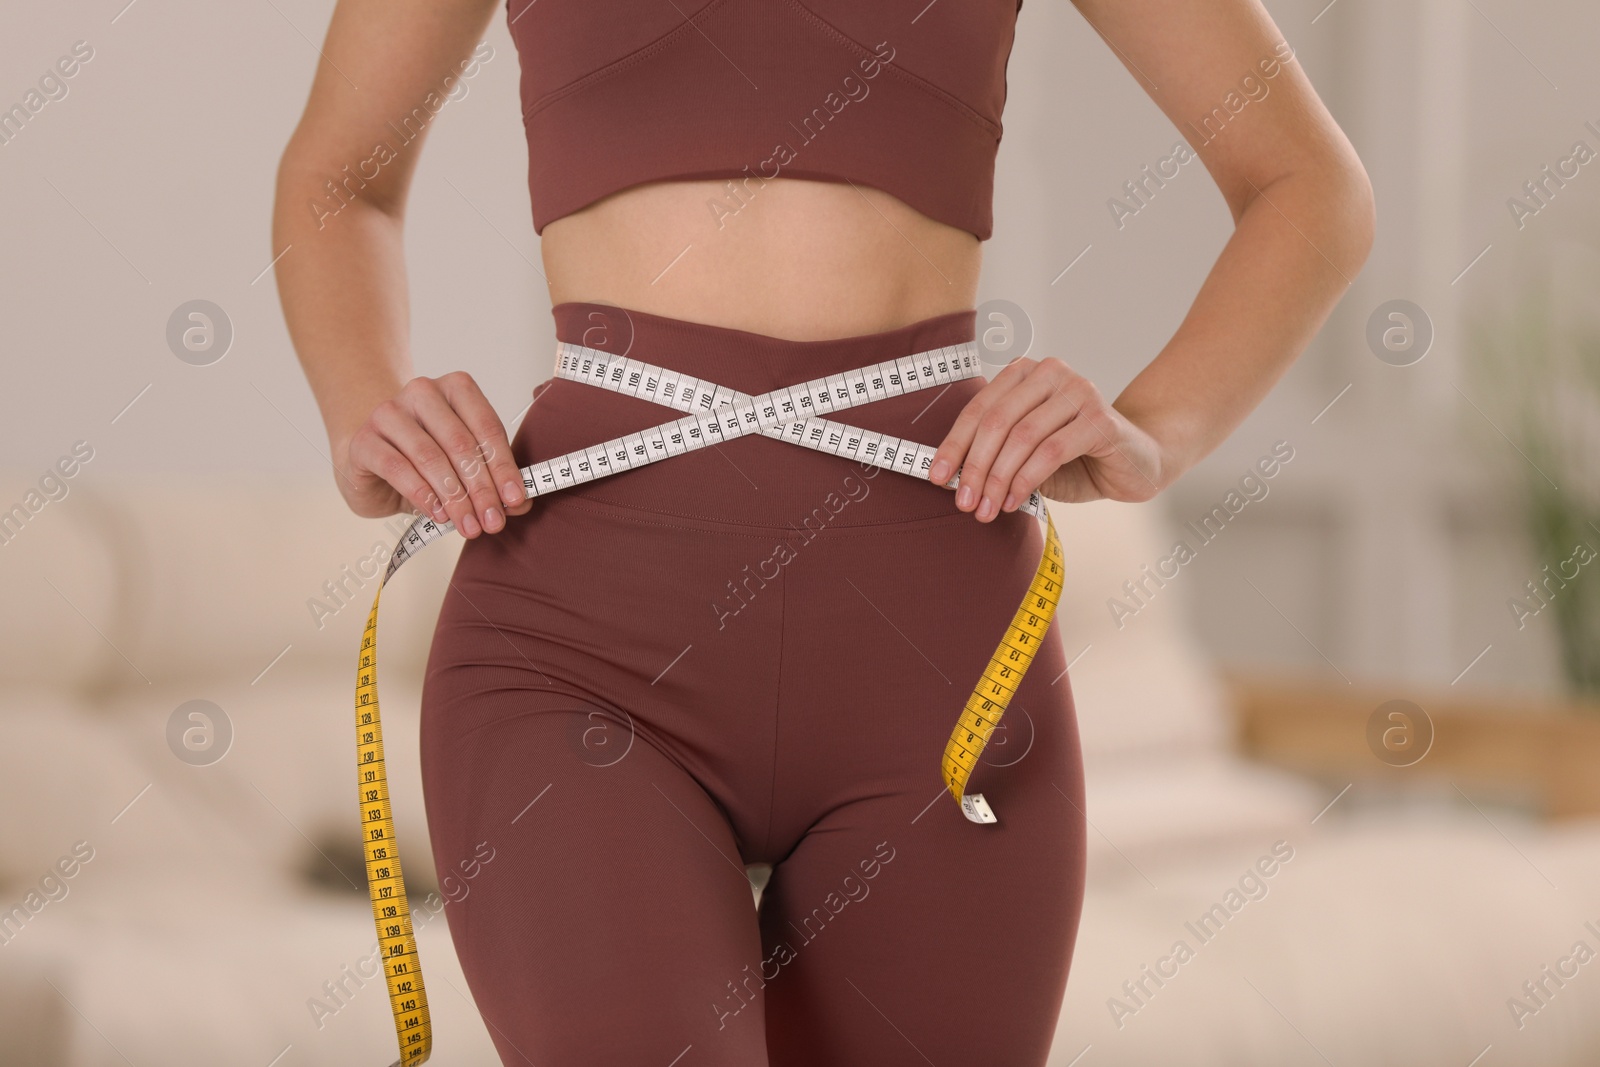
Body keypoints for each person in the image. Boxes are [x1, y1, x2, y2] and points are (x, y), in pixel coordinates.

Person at [271, 1, 1373, 1063]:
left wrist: (1156, 427)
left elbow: (1308, 187)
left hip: (939, 659)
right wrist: (362, 404)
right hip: (580, 646)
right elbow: (339, 180)